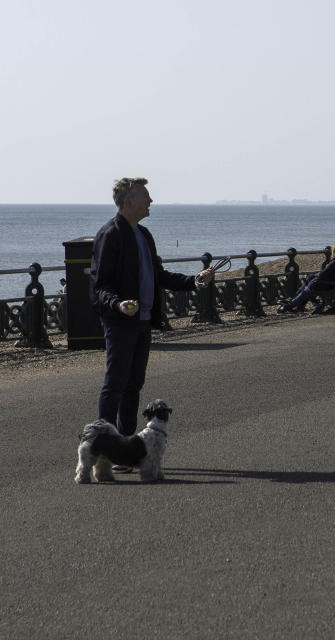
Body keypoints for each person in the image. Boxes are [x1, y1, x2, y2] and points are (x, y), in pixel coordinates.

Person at [90, 177, 212, 471]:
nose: (151, 201)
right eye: (146, 196)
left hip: (143, 321)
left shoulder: (143, 234)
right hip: (120, 321)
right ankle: (104, 450)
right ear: (128, 202)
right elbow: (100, 283)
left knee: (133, 385)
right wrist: (117, 303)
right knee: (115, 385)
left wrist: (193, 282)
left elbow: (158, 275)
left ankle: (126, 449)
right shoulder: (110, 234)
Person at [276, 243, 335, 314]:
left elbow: (322, 275)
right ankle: (301, 305)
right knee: (309, 279)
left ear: (334, 252)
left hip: (326, 285)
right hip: (333, 284)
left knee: (306, 291)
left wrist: (317, 276)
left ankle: (287, 307)